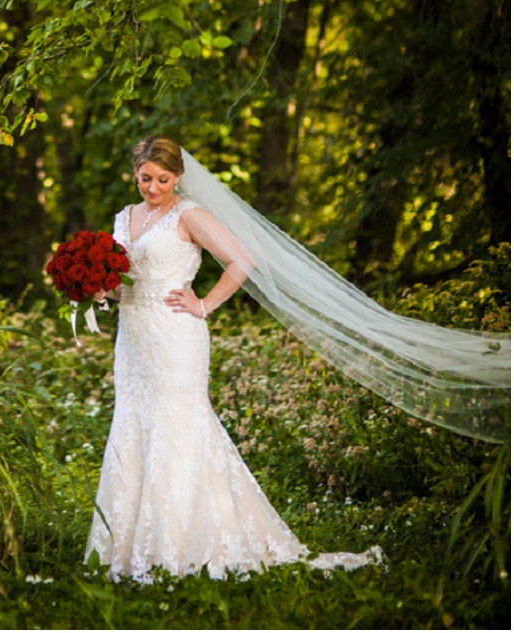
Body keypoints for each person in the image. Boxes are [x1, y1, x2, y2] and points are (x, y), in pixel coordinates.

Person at [84, 136, 384, 582]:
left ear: (178, 177)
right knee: (133, 425)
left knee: (178, 426)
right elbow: (127, 281)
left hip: (176, 338)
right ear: (135, 173)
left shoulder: (189, 214)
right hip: (133, 340)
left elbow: (243, 259)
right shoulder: (123, 219)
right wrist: (103, 293)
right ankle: (125, 551)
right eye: (145, 178)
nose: (153, 187)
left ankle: (176, 547)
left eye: (163, 179)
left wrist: (203, 303)